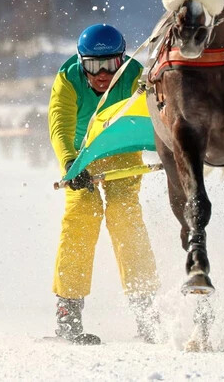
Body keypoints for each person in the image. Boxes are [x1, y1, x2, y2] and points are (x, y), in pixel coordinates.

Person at [48, 24, 160, 345]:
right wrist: (70, 164)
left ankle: (146, 309)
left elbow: (158, 113)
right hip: (81, 154)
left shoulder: (135, 76)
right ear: (81, 62)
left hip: (121, 151)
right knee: (82, 214)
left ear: (121, 60)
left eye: (110, 65)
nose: (102, 75)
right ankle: (68, 310)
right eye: (93, 66)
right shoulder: (68, 79)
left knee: (125, 214)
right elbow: (59, 126)